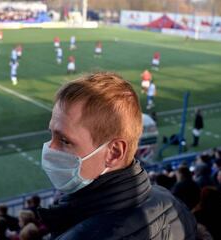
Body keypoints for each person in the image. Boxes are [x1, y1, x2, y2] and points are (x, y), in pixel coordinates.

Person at [38, 72, 197, 240]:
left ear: (114, 153)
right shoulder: (173, 205)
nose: (50, 148)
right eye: (52, 135)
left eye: (65, 140)